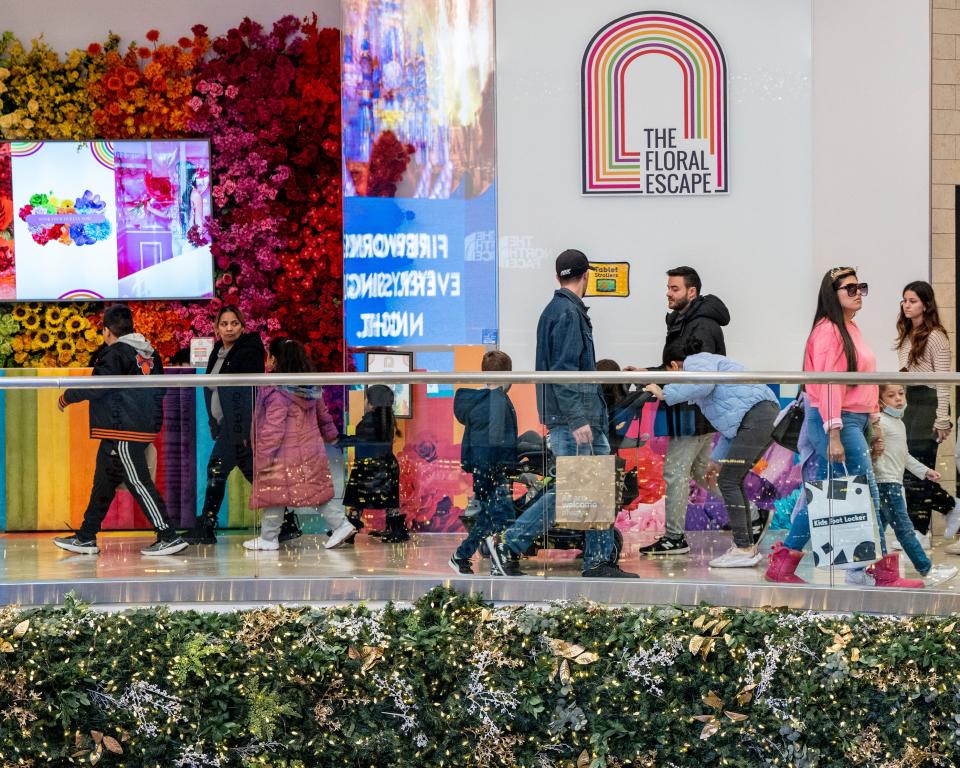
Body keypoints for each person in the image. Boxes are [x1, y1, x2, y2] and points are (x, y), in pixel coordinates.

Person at [486, 249, 637, 578]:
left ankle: (598, 561)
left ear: (558, 277)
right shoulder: (568, 314)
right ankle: (508, 544)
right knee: (572, 491)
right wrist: (577, 419)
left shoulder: (557, 311)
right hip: (576, 418)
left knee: (592, 489)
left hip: (576, 416)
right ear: (586, 276)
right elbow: (564, 371)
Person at [765, 267, 884, 585]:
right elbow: (829, 384)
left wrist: (874, 422)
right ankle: (874, 570)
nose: (858, 292)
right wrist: (834, 432)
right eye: (850, 288)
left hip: (850, 419)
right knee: (865, 491)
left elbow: (863, 381)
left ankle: (784, 562)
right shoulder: (829, 332)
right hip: (836, 419)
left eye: (861, 287)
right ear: (833, 294)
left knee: (825, 493)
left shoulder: (850, 328)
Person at [53, 304, 188, 556]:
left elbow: (99, 386)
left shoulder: (114, 353)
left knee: (138, 481)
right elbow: (162, 388)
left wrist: (68, 396)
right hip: (135, 426)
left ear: (106, 331)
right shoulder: (151, 352)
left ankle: (167, 535)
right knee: (103, 483)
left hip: (123, 430)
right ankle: (86, 536)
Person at [644, 337, 779, 567]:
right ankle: (746, 545)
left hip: (758, 416)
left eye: (669, 374)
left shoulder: (697, 361)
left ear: (675, 366)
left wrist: (665, 393)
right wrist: (716, 461)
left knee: (728, 481)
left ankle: (744, 547)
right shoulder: (705, 380)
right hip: (756, 417)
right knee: (728, 479)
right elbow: (730, 428)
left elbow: (703, 383)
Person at [637, 266, 729, 556]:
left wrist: (670, 371)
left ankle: (675, 537)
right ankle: (751, 515)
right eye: (668, 287)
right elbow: (677, 366)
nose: (668, 292)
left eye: (674, 288)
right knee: (702, 473)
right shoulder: (689, 321)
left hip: (692, 413)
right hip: (698, 414)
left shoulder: (699, 325)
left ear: (692, 292)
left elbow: (695, 373)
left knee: (675, 472)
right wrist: (649, 371)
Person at [185, 306, 272, 544]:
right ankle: (283, 521)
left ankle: (206, 525)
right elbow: (211, 388)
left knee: (216, 469)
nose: (229, 328)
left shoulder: (249, 350)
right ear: (216, 328)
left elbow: (247, 393)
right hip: (226, 426)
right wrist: (214, 424)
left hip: (239, 427)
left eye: (234, 323)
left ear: (242, 327)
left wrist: (243, 431)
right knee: (253, 474)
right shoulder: (217, 351)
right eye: (224, 324)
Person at [243, 338, 340, 551]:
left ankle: (270, 539)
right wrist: (331, 435)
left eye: (269, 355)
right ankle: (270, 538)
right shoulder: (309, 386)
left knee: (274, 495)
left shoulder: (276, 390)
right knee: (309, 493)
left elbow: (272, 428)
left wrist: (263, 456)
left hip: (282, 454)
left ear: (275, 360)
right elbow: (323, 415)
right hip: (308, 450)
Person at [895, 281, 960, 551]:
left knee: (919, 468)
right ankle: (950, 506)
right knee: (908, 467)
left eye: (912, 300)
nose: (906, 305)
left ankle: (920, 530)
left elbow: (943, 380)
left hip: (930, 402)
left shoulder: (936, 335)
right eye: (904, 300)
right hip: (909, 402)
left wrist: (942, 417)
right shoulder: (906, 332)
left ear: (926, 304)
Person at [872, 384, 957, 585]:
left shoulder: (898, 423)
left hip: (892, 483)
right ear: (881, 400)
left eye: (901, 394)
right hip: (886, 483)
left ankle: (877, 571)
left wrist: (924, 471)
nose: (899, 399)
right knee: (904, 529)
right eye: (891, 395)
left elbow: (905, 455)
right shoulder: (880, 422)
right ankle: (926, 569)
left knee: (878, 531)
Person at [449, 350, 518, 575]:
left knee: (489, 517)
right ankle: (500, 562)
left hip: (481, 466)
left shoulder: (477, 400)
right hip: (493, 466)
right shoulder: (497, 400)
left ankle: (461, 556)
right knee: (502, 515)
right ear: (508, 373)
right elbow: (497, 439)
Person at [342, 384, 405, 542]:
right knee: (390, 501)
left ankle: (349, 530)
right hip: (388, 466)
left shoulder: (368, 421)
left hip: (368, 467)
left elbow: (360, 442)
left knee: (357, 499)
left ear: (371, 403)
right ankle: (396, 530)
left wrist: (339, 441)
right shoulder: (388, 419)